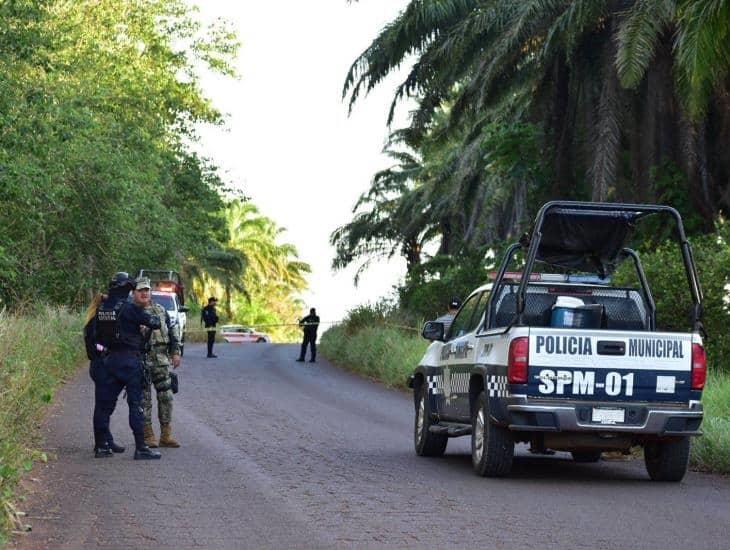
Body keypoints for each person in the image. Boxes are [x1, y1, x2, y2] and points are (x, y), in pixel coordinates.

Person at [89, 272, 162, 460]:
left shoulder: (102, 308)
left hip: (108, 361)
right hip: (129, 362)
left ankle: (101, 446)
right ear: (126, 289)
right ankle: (141, 448)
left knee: (103, 407)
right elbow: (155, 322)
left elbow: (95, 337)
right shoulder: (129, 308)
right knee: (135, 405)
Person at [134, 277, 182, 448]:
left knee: (167, 397)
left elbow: (172, 330)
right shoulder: (130, 312)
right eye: (141, 290)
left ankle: (166, 435)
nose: (144, 293)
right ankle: (148, 435)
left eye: (147, 290)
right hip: (142, 360)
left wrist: (176, 352)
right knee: (144, 400)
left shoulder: (160, 310)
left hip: (161, 359)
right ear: (134, 293)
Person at [83, 292, 125, 455]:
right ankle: (101, 443)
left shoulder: (97, 319)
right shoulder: (96, 320)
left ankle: (106, 439)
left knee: (106, 405)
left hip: (101, 364)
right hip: (100, 365)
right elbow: (94, 346)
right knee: (102, 406)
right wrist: (106, 350)